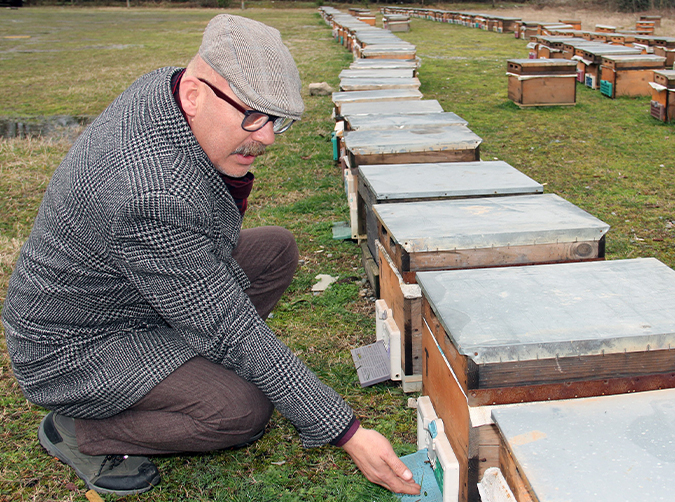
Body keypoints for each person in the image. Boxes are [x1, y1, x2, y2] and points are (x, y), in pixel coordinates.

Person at [1, 14, 420, 497]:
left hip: (134, 293)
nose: (265, 137)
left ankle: (182, 363)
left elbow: (207, 269)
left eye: (275, 120)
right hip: (76, 347)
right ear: (195, 96)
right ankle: (78, 431)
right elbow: (230, 324)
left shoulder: (168, 90)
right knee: (239, 411)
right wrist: (347, 431)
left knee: (276, 249)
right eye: (252, 116)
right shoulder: (149, 193)